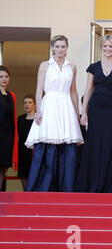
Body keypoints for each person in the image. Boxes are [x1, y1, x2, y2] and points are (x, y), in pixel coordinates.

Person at [25, 35, 84, 192]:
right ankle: (43, 188)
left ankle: (67, 189)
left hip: (66, 107)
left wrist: (77, 114)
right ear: (52, 48)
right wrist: (38, 111)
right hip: (49, 104)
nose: (60, 49)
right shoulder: (45, 65)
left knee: (68, 148)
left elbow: (73, 92)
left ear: (67, 48)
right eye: (57, 46)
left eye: (63, 46)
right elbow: (39, 89)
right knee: (47, 146)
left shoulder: (72, 67)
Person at [76, 34, 112, 193]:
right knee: (93, 143)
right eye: (105, 46)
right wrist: (83, 112)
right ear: (101, 48)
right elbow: (88, 90)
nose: (108, 49)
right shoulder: (93, 67)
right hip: (95, 107)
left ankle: (108, 186)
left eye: (111, 46)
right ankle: (90, 184)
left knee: (109, 143)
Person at [0, 66, 18, 191]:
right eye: (1, 76)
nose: (4, 79)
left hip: (7, 136)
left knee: (3, 168)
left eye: (6, 76)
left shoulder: (11, 95)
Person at [17, 94, 36, 190]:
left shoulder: (38, 118)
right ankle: (26, 193)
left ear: (35, 105)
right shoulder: (20, 119)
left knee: (34, 172)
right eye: (25, 103)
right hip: (22, 150)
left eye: (29, 102)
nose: (27, 105)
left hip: (34, 151)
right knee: (23, 173)